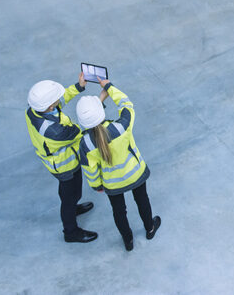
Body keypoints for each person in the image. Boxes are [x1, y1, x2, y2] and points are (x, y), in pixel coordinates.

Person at [76, 77, 161, 251]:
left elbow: (90, 171)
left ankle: (128, 241)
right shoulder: (121, 127)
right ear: (101, 112)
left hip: (112, 183)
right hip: (135, 174)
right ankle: (150, 228)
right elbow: (126, 104)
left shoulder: (85, 144)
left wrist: (97, 185)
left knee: (119, 211)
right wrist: (109, 87)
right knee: (142, 200)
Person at [25, 73, 98, 243]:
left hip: (65, 161)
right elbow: (82, 132)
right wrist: (96, 112)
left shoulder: (36, 110)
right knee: (69, 196)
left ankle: (73, 207)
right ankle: (70, 231)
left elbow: (60, 100)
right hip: (65, 166)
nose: (59, 99)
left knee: (72, 194)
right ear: (50, 106)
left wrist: (78, 86)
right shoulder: (54, 132)